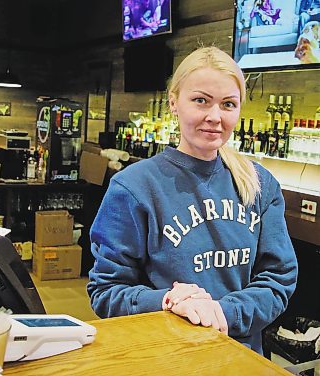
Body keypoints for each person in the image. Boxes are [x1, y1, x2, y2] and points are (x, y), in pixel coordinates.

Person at [87, 46, 298, 354]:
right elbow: (105, 292)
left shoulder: (260, 184)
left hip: (240, 359)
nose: (214, 117)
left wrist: (222, 312)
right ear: (174, 102)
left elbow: (278, 279)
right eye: (201, 100)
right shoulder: (133, 186)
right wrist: (168, 301)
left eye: (228, 104)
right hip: (163, 358)